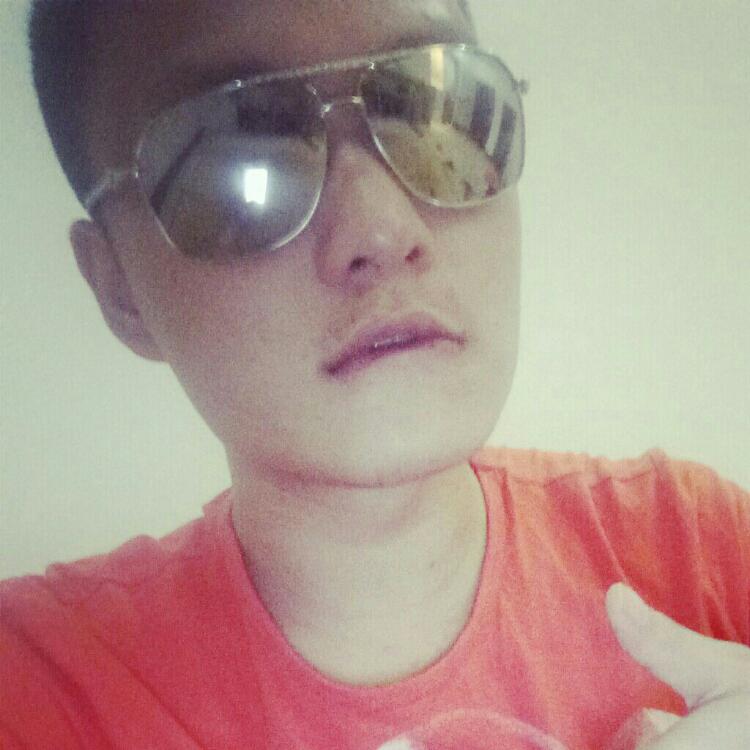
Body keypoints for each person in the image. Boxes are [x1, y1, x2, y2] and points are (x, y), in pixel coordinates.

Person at [1, 1, 748, 748]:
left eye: (436, 107)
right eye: (239, 155)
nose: (383, 231)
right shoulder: (36, 686)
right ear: (120, 289)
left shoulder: (700, 551)